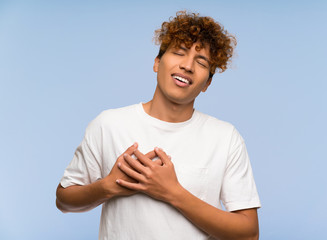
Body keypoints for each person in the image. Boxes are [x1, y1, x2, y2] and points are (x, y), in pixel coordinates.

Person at [56, 10, 261, 240]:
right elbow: (64, 200)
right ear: (157, 63)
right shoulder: (109, 124)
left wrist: (173, 193)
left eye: (201, 62)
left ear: (207, 83)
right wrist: (107, 187)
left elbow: (249, 234)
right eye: (179, 53)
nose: (187, 66)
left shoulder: (225, 138)